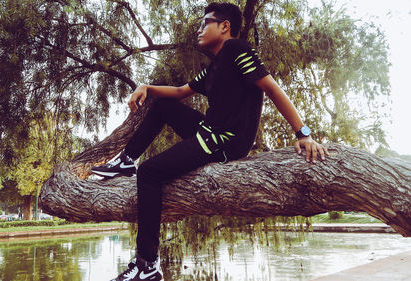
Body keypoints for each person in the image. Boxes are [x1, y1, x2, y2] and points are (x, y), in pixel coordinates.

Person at [92, 2, 329, 280]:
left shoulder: (236, 49)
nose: (199, 29)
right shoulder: (216, 65)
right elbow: (181, 91)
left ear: (224, 26)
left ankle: (148, 265)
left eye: (206, 23)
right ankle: (127, 159)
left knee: (150, 174)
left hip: (225, 140)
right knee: (162, 105)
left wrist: (304, 134)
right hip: (209, 130)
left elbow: (272, 87)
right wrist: (145, 87)